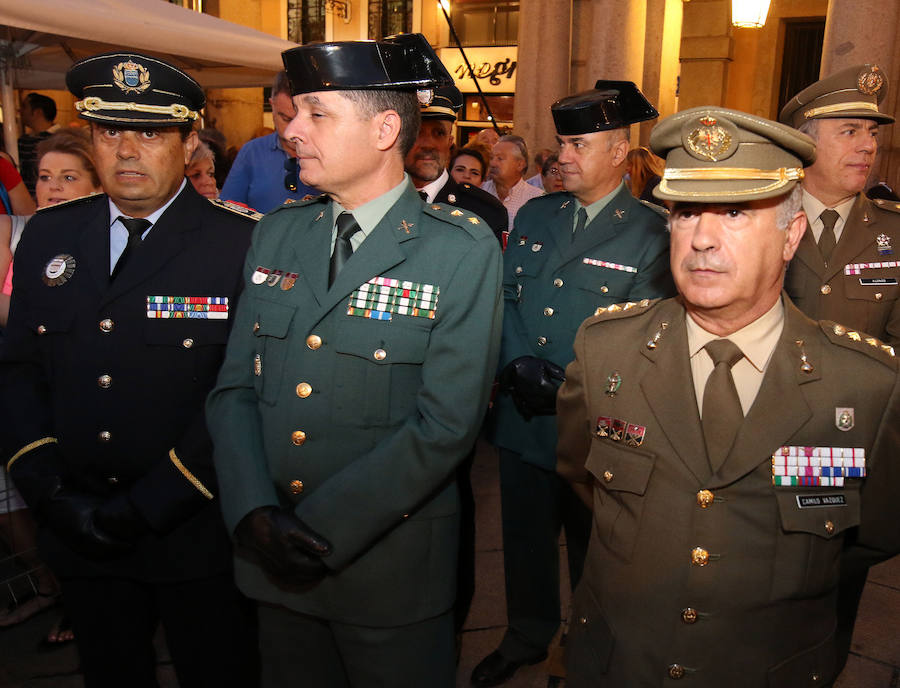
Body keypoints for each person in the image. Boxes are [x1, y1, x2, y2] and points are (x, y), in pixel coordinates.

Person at [556, 105, 900, 687]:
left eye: (736, 212)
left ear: (792, 235)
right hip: (620, 661)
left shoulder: (863, 385)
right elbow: (581, 479)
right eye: (686, 213)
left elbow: (873, 535)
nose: (703, 240)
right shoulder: (603, 352)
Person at [206, 34, 503, 688]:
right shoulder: (277, 233)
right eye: (292, 115)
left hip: (387, 577)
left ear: (384, 128)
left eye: (317, 114)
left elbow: (446, 426)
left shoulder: (459, 249)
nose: (292, 133)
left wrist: (316, 531)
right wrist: (252, 511)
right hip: (272, 563)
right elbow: (233, 391)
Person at [0, 51, 261, 687]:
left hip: (192, 527)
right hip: (79, 524)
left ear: (190, 141)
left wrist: (155, 501)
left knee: (219, 672)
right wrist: (46, 487)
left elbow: (247, 386)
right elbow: (20, 371)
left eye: (150, 132)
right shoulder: (49, 236)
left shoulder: (242, 241)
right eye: (109, 131)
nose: (126, 151)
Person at [474, 81, 672, 688]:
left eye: (578, 144)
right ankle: (527, 634)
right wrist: (514, 364)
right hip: (521, 413)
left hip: (597, 424)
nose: (563, 156)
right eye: (562, 143)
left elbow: (646, 333)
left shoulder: (651, 232)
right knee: (525, 539)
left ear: (618, 151)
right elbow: (504, 295)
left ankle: (583, 647)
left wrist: (567, 385)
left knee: (596, 547)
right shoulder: (536, 213)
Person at [779, 62, 900, 676]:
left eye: (871, 133)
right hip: (759, 433)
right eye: (850, 130)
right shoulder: (760, 215)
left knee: (832, 589)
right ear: (805, 139)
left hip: (850, 445)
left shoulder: (895, 233)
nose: (869, 145)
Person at [405, 85, 507, 242]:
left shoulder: (486, 211)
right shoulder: (375, 201)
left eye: (439, 133)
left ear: (450, 142)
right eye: (418, 132)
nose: (428, 144)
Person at [220, 70, 318, 212]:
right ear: (272, 105)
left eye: (301, 118)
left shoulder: (327, 152)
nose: (293, 130)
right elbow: (228, 210)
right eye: (285, 118)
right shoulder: (251, 153)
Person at [482, 134, 544, 227]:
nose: (492, 163)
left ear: (520, 165)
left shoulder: (536, 200)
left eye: (500, 158)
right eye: (491, 158)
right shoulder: (480, 192)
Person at [17, 93, 59, 197]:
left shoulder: (59, 141)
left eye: (24, 106)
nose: (19, 111)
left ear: (37, 112)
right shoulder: (23, 140)